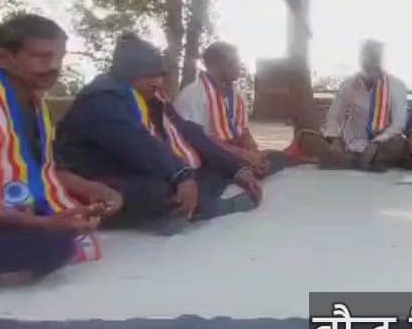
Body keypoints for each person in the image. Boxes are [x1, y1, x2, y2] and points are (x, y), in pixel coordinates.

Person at [0, 15, 116, 286]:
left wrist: (98, 191)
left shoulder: (35, 103)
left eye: (59, 57)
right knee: (50, 245)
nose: (54, 66)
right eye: (41, 57)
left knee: (74, 224)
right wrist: (42, 225)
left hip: (0, 217)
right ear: (4, 56)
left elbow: (48, 168)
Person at [56, 34, 262, 233]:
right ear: (128, 74)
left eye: (160, 76)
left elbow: (188, 131)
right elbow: (138, 143)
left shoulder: (150, 97)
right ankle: (198, 208)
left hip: (136, 168)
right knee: (164, 190)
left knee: (214, 167)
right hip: (98, 177)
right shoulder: (102, 98)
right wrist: (181, 175)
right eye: (149, 76)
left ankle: (191, 206)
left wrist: (235, 167)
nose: (158, 83)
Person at [174, 42, 296, 178]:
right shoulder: (192, 95)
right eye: (237, 62)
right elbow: (201, 142)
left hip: (233, 153)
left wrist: (255, 154)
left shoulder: (237, 95)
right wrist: (243, 156)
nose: (240, 67)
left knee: (281, 159)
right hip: (207, 158)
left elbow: (243, 131)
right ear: (222, 64)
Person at [320, 40, 410, 172]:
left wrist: (376, 142)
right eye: (367, 56)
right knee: (305, 137)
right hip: (350, 143)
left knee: (399, 144)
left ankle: (355, 160)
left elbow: (398, 124)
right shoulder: (348, 84)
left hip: (382, 145)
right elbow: (334, 117)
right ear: (361, 59)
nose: (370, 61)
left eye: (374, 57)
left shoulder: (396, 85)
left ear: (381, 60)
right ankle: (357, 160)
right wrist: (335, 140)